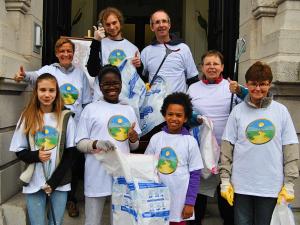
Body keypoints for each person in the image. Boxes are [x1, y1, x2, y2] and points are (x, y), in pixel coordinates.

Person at [14, 37, 92, 217]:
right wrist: (23, 75)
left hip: (72, 125)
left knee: (72, 165)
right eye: (62, 51)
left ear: (73, 54)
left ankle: (70, 199)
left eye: (69, 51)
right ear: (57, 53)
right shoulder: (49, 70)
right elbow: (35, 77)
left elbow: (87, 101)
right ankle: (46, 193)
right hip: (51, 123)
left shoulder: (80, 73)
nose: (65, 54)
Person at [220, 61, 299, 225]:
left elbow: (290, 149)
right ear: (247, 84)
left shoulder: (281, 111)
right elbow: (227, 148)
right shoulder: (238, 112)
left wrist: (289, 183)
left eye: (262, 84)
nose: (257, 89)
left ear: (269, 84)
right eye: (253, 84)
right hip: (241, 186)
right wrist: (225, 180)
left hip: (270, 186)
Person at [75, 65, 141, 225]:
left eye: (116, 83)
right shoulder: (91, 109)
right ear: (100, 86)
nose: (112, 87)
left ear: (121, 84)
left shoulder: (129, 110)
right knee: (92, 220)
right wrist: (96, 143)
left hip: (121, 174)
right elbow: (80, 143)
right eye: (107, 84)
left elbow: (134, 146)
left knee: (120, 220)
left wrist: (133, 138)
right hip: (96, 173)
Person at [9, 74, 76, 225]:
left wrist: (53, 182)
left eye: (51, 90)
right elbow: (19, 151)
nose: (47, 94)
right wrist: (36, 156)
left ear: (57, 92)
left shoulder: (66, 117)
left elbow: (71, 155)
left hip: (59, 181)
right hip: (34, 181)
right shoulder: (27, 116)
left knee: (55, 222)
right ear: (36, 92)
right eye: (43, 90)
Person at [187, 50, 237, 225]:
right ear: (202, 67)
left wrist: (240, 92)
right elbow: (187, 117)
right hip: (201, 151)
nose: (212, 67)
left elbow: (247, 107)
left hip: (226, 152)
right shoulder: (192, 88)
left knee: (227, 201)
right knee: (198, 201)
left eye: (215, 64)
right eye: (208, 64)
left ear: (222, 67)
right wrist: (193, 118)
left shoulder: (231, 87)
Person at [145, 92, 203, 225]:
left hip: (180, 204)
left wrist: (190, 202)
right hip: (157, 201)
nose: (174, 118)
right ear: (164, 115)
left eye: (179, 115)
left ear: (186, 118)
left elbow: (195, 174)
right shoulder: (156, 139)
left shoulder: (190, 141)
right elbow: (147, 168)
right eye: (170, 114)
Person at [87, 7, 142, 101]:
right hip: (101, 99)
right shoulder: (98, 44)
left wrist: (140, 66)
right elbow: (92, 71)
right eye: (107, 24)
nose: (112, 27)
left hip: (125, 100)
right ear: (102, 26)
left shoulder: (132, 48)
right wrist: (96, 41)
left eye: (114, 23)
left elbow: (137, 77)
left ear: (120, 22)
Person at [141, 10, 199, 94]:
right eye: (157, 22)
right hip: (154, 104)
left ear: (169, 25)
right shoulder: (146, 52)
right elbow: (141, 80)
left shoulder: (183, 48)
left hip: (178, 103)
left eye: (164, 21)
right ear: (152, 27)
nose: (161, 25)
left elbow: (193, 79)